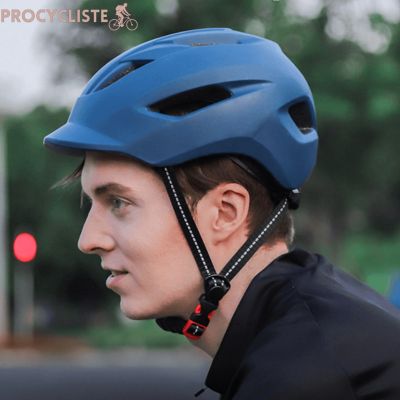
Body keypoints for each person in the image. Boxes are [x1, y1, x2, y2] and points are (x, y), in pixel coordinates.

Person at [44, 28, 400, 399]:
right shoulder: (308, 332)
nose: (88, 240)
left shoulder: (305, 375)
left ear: (226, 212)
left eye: (119, 202)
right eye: (93, 204)